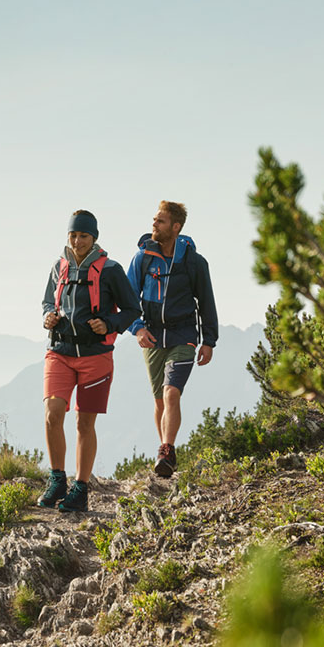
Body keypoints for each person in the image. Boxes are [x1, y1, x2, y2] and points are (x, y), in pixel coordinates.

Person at [40, 210, 140, 512]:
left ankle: (80, 489)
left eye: (83, 235)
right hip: (59, 350)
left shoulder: (110, 270)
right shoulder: (58, 267)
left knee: (84, 423)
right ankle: (58, 478)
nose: (77, 240)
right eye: (73, 234)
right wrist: (48, 316)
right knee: (52, 413)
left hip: (95, 356)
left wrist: (109, 324)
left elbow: (132, 310)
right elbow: (47, 300)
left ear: (94, 237)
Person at [125, 200, 218, 478]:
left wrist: (209, 340)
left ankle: (166, 448)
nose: (154, 224)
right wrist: (137, 328)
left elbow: (206, 302)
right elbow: (129, 299)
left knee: (171, 392)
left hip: (183, 335)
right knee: (160, 402)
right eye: (154, 220)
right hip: (152, 336)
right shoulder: (143, 258)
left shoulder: (194, 262)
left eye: (161, 221)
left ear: (176, 227)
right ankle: (167, 455)